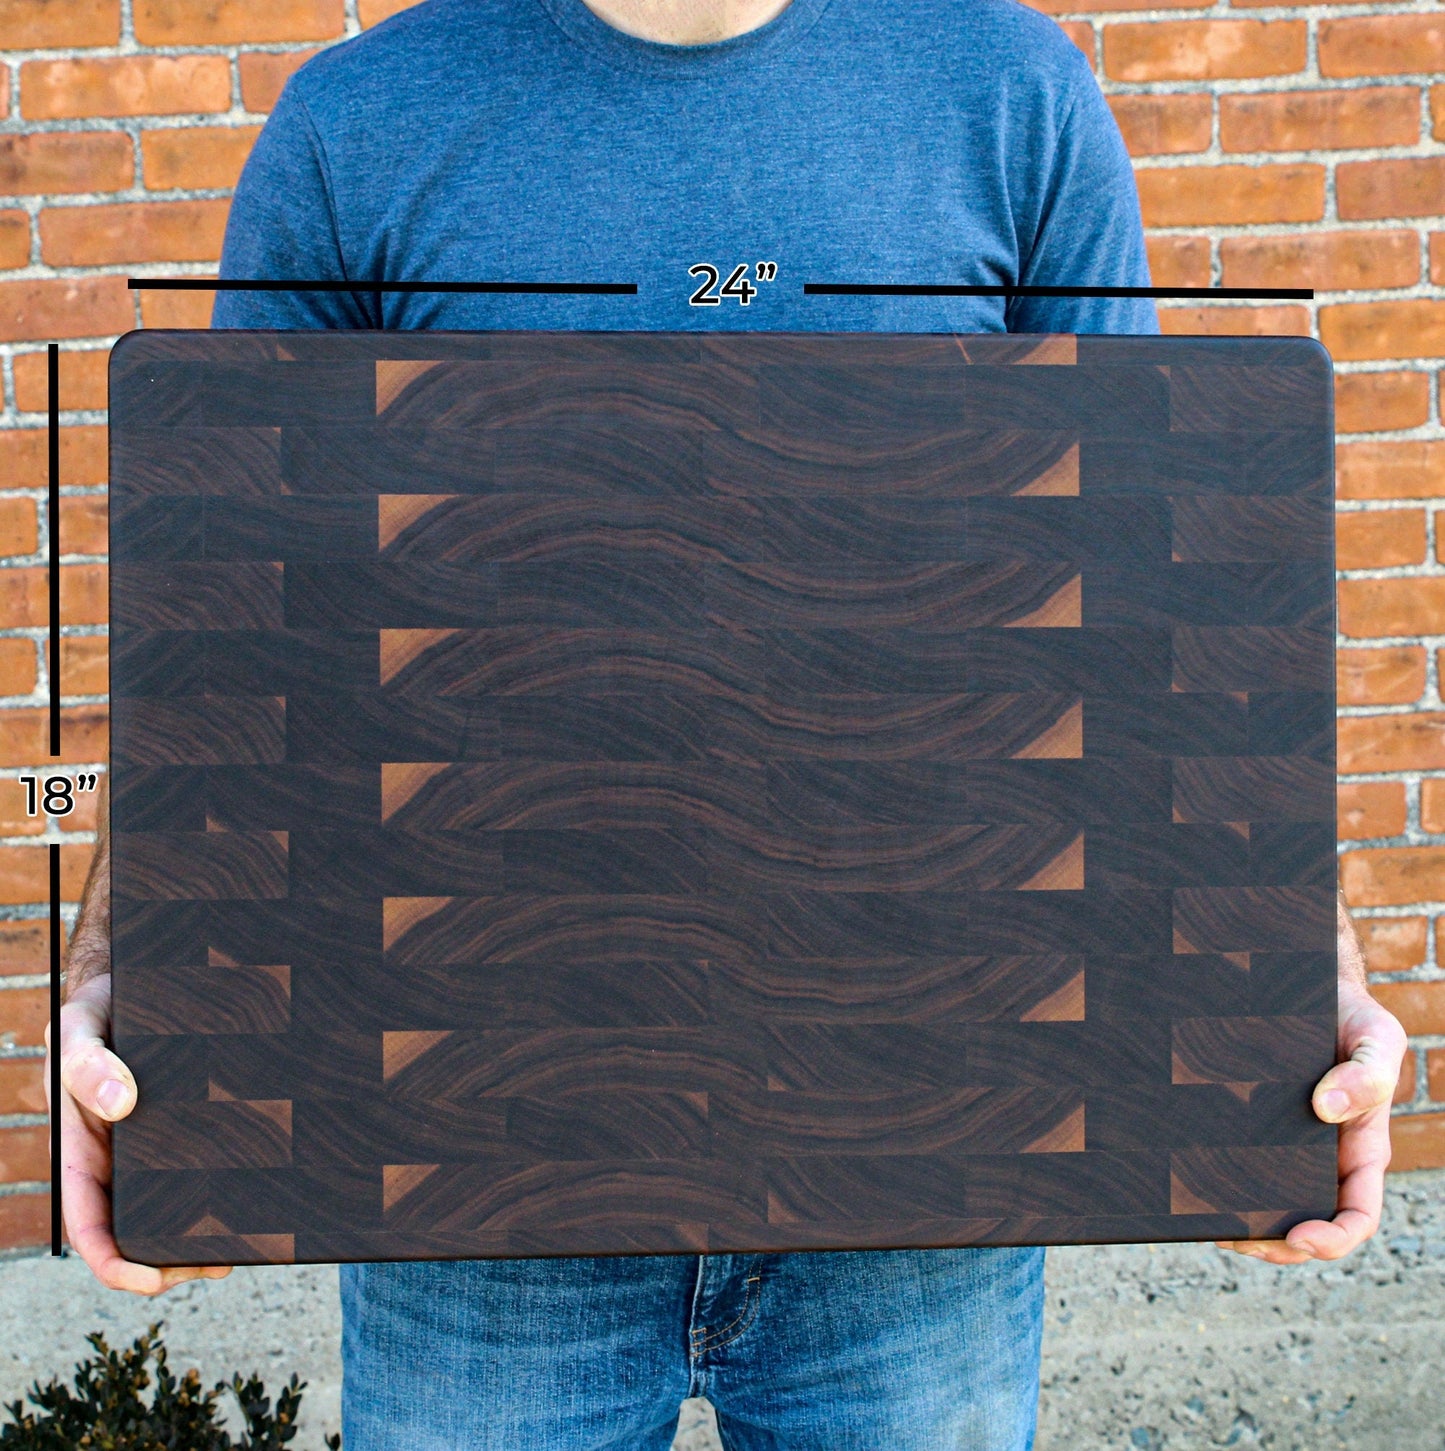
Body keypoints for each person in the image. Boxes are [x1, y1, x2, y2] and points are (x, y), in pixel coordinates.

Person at [51, 1, 1409, 1446]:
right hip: (478, 1184)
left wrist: (1277, 995)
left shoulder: (1011, 95)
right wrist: (138, 989)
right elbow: (235, 639)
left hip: (918, 1181)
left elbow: (1147, 619)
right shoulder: (354, 127)